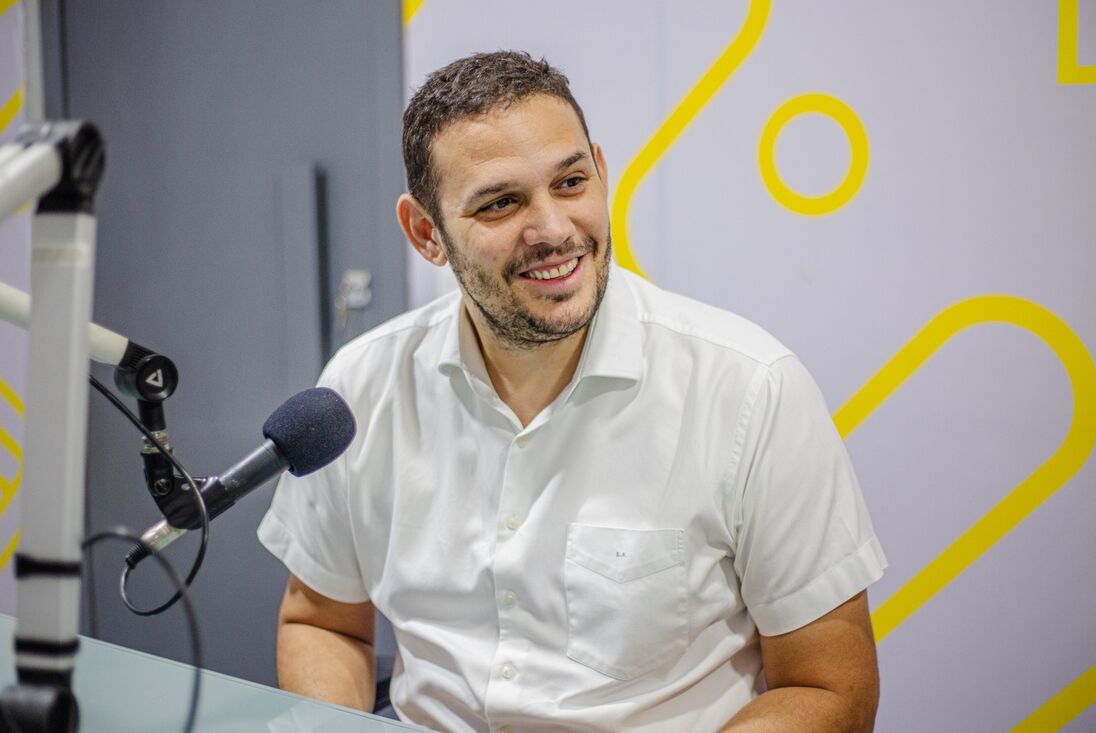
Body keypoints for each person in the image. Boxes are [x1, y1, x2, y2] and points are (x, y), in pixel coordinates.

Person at [258, 50, 887, 732]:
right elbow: (324, 623)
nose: (554, 229)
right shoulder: (361, 387)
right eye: (501, 202)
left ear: (601, 171)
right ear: (425, 233)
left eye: (569, 182)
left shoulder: (751, 391)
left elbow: (829, 689)